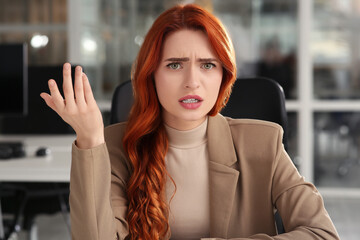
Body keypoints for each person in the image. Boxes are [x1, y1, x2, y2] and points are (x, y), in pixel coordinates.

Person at [40, 4, 339, 240]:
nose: (192, 82)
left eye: (207, 65)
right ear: (151, 75)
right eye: (174, 65)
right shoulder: (116, 146)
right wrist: (90, 139)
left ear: (223, 76)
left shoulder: (264, 143)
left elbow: (322, 233)